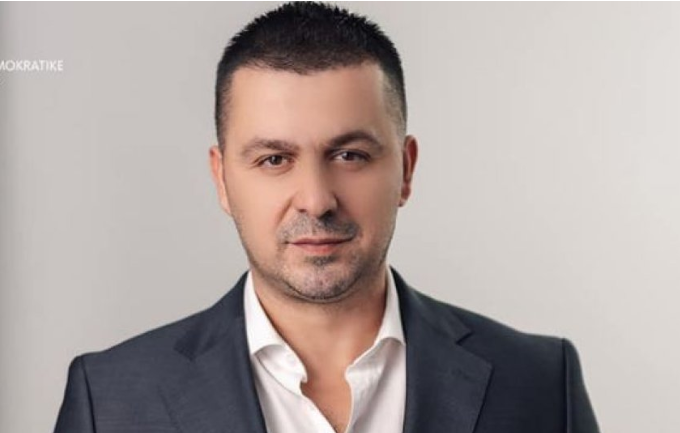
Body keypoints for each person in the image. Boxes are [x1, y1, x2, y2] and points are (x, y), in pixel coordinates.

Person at [54, 3, 599, 433]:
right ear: (222, 179)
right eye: (274, 160)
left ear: (405, 170)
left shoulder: (539, 383)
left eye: (349, 155)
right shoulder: (111, 400)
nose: (316, 200)